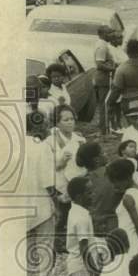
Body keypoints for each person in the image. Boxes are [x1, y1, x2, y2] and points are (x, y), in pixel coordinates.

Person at [24, 112, 58, 276]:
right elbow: (48, 181)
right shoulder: (41, 147)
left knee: (24, 252)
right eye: (44, 124)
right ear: (37, 127)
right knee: (45, 251)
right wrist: (57, 202)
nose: (46, 128)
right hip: (41, 205)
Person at [47, 104, 86, 251]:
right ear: (57, 122)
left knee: (76, 212)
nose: (70, 122)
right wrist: (61, 162)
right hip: (60, 183)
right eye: (65, 120)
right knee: (61, 214)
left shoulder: (80, 139)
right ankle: (57, 243)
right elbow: (47, 166)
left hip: (78, 181)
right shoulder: (51, 141)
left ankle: (75, 240)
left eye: (72, 119)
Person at [109, 157, 138, 258]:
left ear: (127, 178)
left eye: (116, 181)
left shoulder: (128, 198)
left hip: (131, 244)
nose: (114, 185)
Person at [75, 142, 117, 237]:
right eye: (103, 153)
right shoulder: (114, 174)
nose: (106, 154)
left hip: (94, 229)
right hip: (115, 224)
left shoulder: (82, 181)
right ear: (97, 160)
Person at [93, 27, 117, 134]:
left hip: (105, 78)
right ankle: (104, 129)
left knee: (105, 104)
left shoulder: (103, 44)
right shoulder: (102, 46)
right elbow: (99, 64)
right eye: (109, 33)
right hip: (103, 78)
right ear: (102, 34)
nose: (112, 35)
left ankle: (104, 128)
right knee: (105, 104)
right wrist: (114, 68)